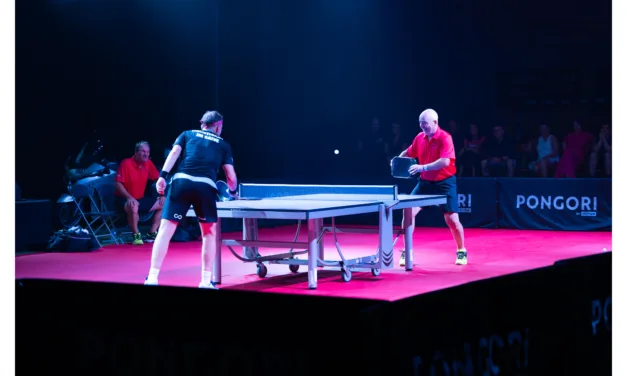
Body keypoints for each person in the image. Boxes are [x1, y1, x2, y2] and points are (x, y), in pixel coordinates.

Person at [144, 111, 238, 289]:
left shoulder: (187, 134)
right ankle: (204, 281)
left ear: (203, 124)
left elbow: (173, 154)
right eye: (222, 127)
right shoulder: (224, 144)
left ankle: (152, 278)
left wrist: (162, 176)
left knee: (164, 230)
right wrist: (232, 192)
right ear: (218, 125)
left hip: (181, 181)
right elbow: (231, 178)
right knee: (209, 233)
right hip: (205, 186)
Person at [393, 109, 467, 267]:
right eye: (420, 123)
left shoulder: (445, 138)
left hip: (444, 183)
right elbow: (409, 152)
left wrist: (422, 167)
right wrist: (398, 160)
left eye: (425, 123)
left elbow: (445, 161)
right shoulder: (420, 137)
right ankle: (407, 251)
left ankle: (461, 250)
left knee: (452, 220)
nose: (422, 126)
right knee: (408, 212)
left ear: (435, 122)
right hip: (425, 183)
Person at [114, 141, 165, 245]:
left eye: (147, 152)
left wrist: (161, 194)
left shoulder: (148, 164)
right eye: (143, 151)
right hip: (123, 199)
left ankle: (152, 233)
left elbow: (158, 180)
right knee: (133, 205)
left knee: (164, 203)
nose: (146, 154)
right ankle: (136, 235)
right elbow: (118, 184)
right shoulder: (126, 163)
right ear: (136, 153)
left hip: (139, 199)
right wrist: (129, 197)